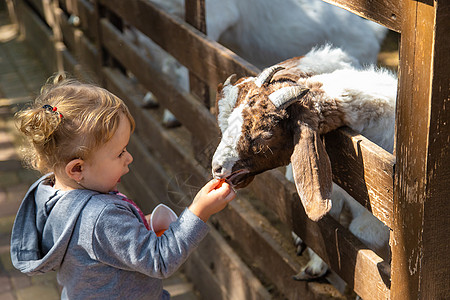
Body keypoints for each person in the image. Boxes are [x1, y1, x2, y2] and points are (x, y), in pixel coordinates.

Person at [10, 74, 235, 299]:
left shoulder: (51, 195)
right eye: (120, 153)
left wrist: (138, 224)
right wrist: (199, 212)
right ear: (77, 169)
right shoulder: (101, 217)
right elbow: (159, 260)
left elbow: (95, 244)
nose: (129, 158)